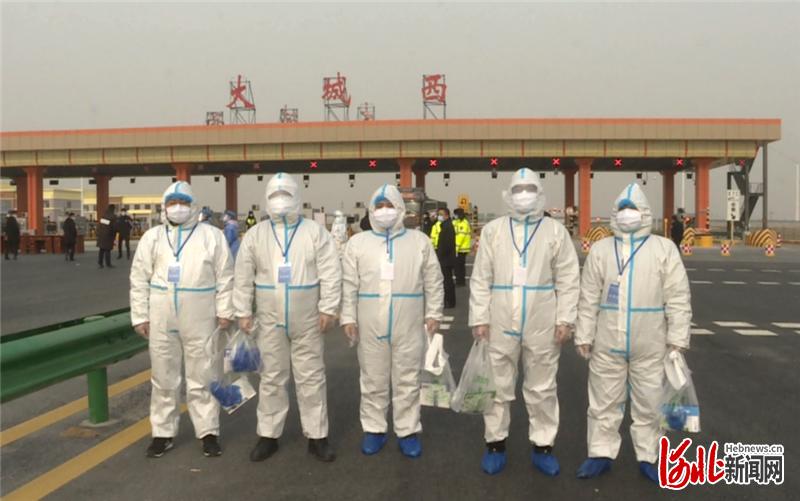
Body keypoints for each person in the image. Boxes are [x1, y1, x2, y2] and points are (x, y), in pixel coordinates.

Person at [574, 183, 691, 484]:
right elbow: (588, 296)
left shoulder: (663, 249)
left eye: (633, 209)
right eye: (623, 210)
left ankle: (649, 456)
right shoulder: (601, 250)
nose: (628, 215)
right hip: (607, 341)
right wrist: (584, 334)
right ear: (615, 214)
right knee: (602, 401)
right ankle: (600, 453)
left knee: (649, 402)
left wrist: (677, 339)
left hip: (650, 341)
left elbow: (677, 297)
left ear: (645, 213)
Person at [469, 168, 580, 477]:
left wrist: (565, 318)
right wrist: (479, 317)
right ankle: (495, 444)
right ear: (509, 194)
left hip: (542, 318)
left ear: (539, 193)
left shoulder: (554, 231)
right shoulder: (493, 231)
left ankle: (543, 446)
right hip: (499, 317)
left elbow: (569, 278)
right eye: (518, 190)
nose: (524, 195)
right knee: (497, 384)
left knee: (542, 386)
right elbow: (481, 278)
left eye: (529, 189)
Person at [234, 173, 342, 463]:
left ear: (297, 197)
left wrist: (329, 308)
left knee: (311, 377)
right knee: (271, 377)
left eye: (285, 194)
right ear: (266, 199)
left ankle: (317, 436)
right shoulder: (256, 234)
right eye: (274, 195)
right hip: (269, 318)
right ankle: (268, 435)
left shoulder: (314, 232)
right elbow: (242, 275)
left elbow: (331, 272)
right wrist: (242, 311)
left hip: (308, 318)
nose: (280, 200)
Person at [129, 181, 235, 458]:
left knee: (204, 374)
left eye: (183, 203)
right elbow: (139, 278)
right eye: (172, 203)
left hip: (201, 316)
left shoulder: (211, 236)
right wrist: (140, 315)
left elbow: (226, 277)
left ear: (193, 206)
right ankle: (163, 433)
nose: (178, 208)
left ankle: (208, 432)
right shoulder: (152, 238)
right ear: (164, 207)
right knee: (163, 377)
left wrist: (225, 311)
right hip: (161, 317)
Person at [340, 183, 444, 458]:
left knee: (407, 378)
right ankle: (374, 429)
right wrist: (348, 316)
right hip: (370, 323)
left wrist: (434, 312)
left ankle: (407, 430)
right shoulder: (358, 243)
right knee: (372, 378)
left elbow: (433, 280)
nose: (384, 211)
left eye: (389, 206)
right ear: (371, 210)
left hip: (408, 322)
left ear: (400, 208)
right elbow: (349, 284)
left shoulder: (418, 241)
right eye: (379, 206)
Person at [434, 208, 456, 309]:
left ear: (446, 215)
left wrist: (439, 255)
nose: (439, 216)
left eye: (440, 214)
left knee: (447, 281)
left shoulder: (447, 227)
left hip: (446, 259)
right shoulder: (445, 225)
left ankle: (449, 301)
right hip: (446, 258)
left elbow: (446, 245)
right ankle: (449, 300)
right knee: (447, 280)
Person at [453, 208, 472, 286]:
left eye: (455, 214)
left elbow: (461, 236)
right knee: (458, 266)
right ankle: (460, 281)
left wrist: (456, 248)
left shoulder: (464, 223)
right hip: (460, 248)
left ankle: (460, 282)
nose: (455, 216)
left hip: (461, 249)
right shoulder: (457, 222)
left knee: (459, 266)